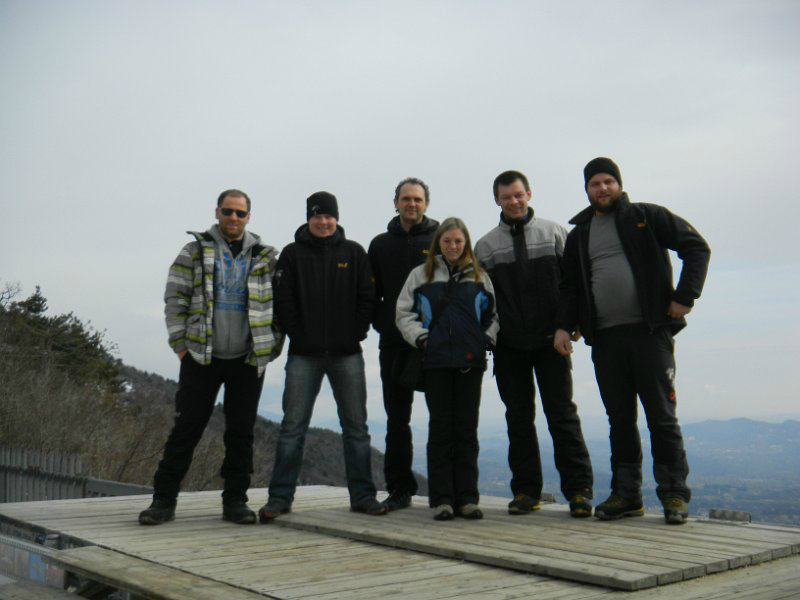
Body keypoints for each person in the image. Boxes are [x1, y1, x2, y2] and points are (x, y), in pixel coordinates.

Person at [554, 157, 710, 525]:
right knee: (620, 420)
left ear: (619, 184)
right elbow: (571, 287)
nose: (602, 188)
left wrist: (686, 296)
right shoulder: (579, 234)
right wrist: (563, 326)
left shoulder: (646, 216)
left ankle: (674, 494)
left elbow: (696, 247)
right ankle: (627, 495)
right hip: (606, 339)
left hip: (649, 333)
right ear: (587, 189)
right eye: (595, 183)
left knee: (661, 417)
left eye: (608, 181)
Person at [139, 189, 283, 526]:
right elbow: (175, 298)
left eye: (240, 213)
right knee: (186, 429)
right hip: (201, 357)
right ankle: (162, 501)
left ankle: (235, 502)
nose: (233, 218)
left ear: (249, 217)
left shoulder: (266, 257)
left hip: (247, 359)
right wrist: (181, 346)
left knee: (241, 434)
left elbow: (281, 305)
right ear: (217, 212)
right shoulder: (193, 251)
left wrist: (271, 345)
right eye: (228, 211)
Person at [259, 191, 386, 521]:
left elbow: (368, 297)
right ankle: (279, 498)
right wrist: (299, 335)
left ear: (336, 218)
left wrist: (355, 333)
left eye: (329, 216)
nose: (324, 221)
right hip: (304, 354)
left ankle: (363, 496)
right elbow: (283, 300)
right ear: (308, 218)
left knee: (356, 428)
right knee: (292, 428)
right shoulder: (291, 255)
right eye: (317, 216)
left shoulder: (354, 253)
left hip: (347, 354)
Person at [475, 170, 594, 518]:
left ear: (529, 194)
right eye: (506, 197)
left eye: (518, 194)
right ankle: (526, 492)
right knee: (518, 420)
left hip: (551, 341)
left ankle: (579, 492)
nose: (513, 201)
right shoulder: (485, 246)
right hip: (508, 345)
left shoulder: (554, 233)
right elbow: (482, 299)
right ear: (497, 200)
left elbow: (574, 283)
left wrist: (569, 326)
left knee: (562, 416)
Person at [396, 217, 499, 521]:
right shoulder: (421, 275)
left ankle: (467, 499)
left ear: (466, 243)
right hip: (436, 362)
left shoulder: (479, 276)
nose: (453, 246)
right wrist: (422, 338)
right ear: (438, 243)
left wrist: (485, 339)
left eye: (458, 241)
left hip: (470, 363)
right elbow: (403, 313)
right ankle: (442, 500)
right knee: (440, 429)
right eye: (447, 241)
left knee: (466, 430)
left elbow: (493, 315)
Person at [368, 177, 439, 511]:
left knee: (442, 417)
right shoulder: (380, 244)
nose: (412, 204)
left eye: (417, 199)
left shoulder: (440, 239)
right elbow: (371, 293)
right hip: (394, 343)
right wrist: (382, 324)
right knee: (397, 420)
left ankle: (444, 489)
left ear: (426, 203)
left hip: (435, 344)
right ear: (395, 202)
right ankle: (399, 489)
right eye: (406, 199)